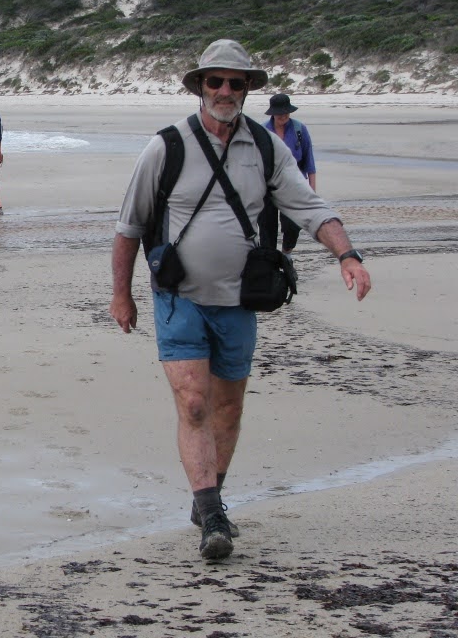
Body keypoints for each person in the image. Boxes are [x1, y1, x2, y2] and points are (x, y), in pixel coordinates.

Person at [108, 40, 371, 560]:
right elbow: (129, 227)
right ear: (200, 87)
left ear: (249, 88)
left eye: (236, 82)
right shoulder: (166, 147)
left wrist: (348, 254)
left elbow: (310, 207)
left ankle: (210, 498)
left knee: (228, 405)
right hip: (178, 295)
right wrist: (121, 295)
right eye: (215, 81)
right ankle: (212, 517)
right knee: (195, 401)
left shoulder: (268, 149)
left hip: (239, 301)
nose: (225, 91)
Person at [263, 93, 317, 256]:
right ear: (272, 113)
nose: (283, 115)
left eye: (286, 111)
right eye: (279, 112)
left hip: (294, 186)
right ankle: (269, 264)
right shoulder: (263, 131)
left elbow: (309, 162)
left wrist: (312, 191)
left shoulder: (299, 129)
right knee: (266, 228)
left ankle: (286, 255)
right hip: (267, 187)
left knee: (292, 226)